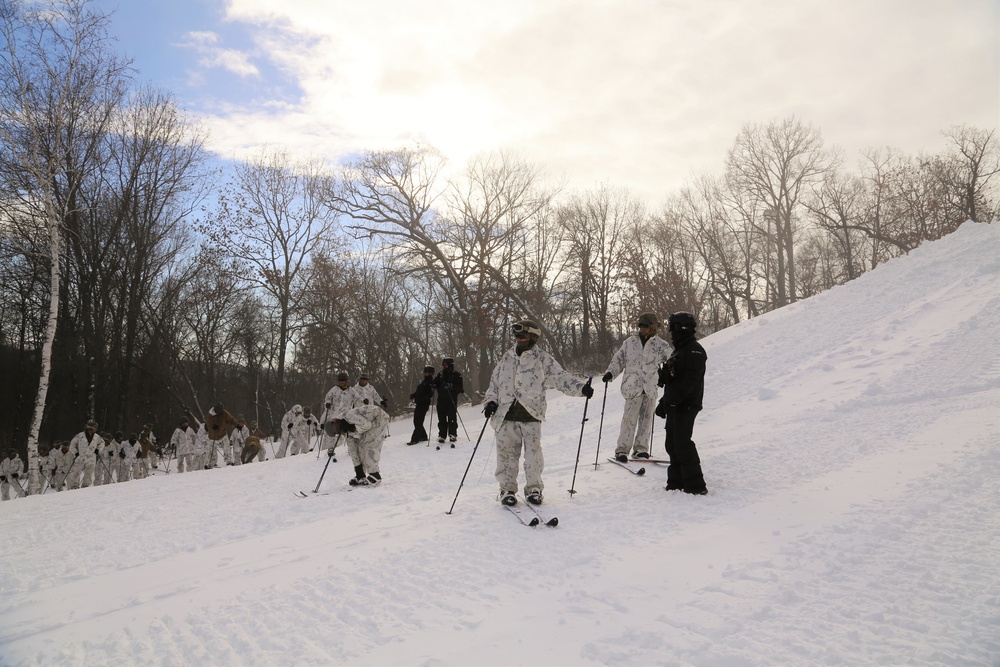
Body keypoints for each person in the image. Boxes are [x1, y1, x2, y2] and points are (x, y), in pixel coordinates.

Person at [483, 319, 593, 506]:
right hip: (505, 416)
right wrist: (490, 402)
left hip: (531, 414)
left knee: (533, 456)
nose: (519, 339)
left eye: (523, 335)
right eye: (516, 336)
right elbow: (494, 383)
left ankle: (534, 489)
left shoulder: (542, 359)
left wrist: (581, 388)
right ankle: (507, 489)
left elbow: (560, 377)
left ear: (533, 337)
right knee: (506, 455)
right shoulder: (506, 358)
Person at [602, 313, 673, 462]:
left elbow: (672, 358)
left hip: (650, 386)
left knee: (647, 419)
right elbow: (619, 359)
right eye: (640, 325)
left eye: (645, 325)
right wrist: (610, 373)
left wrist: (670, 371)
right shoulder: (630, 343)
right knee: (629, 419)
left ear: (653, 327)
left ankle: (641, 449)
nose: (641, 328)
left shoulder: (660, 344)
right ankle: (622, 450)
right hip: (632, 387)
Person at [656, 311, 708, 495]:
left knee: (682, 442)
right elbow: (675, 381)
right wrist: (664, 402)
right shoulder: (680, 350)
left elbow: (690, 382)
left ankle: (695, 486)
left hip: (687, 404)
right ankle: (676, 482)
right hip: (675, 403)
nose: (671, 332)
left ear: (682, 328)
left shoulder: (694, 350)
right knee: (671, 442)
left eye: (674, 328)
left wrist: (673, 401)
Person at [332, 402, 390, 486]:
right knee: (360, 447)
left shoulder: (348, 416)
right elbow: (353, 450)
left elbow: (367, 425)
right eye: (338, 432)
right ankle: (361, 475)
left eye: (338, 430)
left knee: (368, 444)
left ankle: (375, 474)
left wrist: (352, 428)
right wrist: (358, 469)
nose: (340, 432)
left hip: (379, 418)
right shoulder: (345, 430)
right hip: (369, 423)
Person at [433, 357, 464, 445]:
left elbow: (460, 388)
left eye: (446, 364)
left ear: (450, 365)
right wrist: (434, 385)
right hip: (441, 399)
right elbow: (435, 382)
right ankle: (442, 435)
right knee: (441, 417)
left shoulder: (457, 375)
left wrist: (451, 386)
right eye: (443, 364)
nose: (444, 366)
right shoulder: (440, 374)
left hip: (451, 399)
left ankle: (452, 434)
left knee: (452, 417)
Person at [407, 365, 436, 445]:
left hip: (424, 404)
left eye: (427, 372)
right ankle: (423, 436)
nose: (426, 374)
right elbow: (420, 392)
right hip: (419, 403)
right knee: (417, 421)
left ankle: (415, 439)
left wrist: (421, 398)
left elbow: (429, 394)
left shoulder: (430, 382)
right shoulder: (424, 382)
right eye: (425, 372)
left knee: (418, 421)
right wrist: (414, 395)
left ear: (431, 373)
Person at [69, 420, 101, 489]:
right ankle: (74, 487)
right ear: (86, 428)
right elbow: (72, 444)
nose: (91, 430)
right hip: (80, 456)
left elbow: (102, 443)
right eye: (89, 429)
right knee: (76, 472)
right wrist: (75, 452)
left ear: (95, 430)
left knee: (89, 474)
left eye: (93, 429)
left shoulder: (97, 437)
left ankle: (85, 487)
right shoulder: (80, 435)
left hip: (91, 458)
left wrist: (98, 449)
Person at [205, 403, 238, 467]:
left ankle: (229, 461)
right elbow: (208, 424)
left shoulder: (224, 413)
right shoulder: (210, 415)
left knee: (227, 448)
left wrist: (236, 424)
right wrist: (212, 426)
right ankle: (211, 463)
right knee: (212, 450)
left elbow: (231, 419)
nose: (220, 412)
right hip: (213, 436)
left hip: (223, 434)